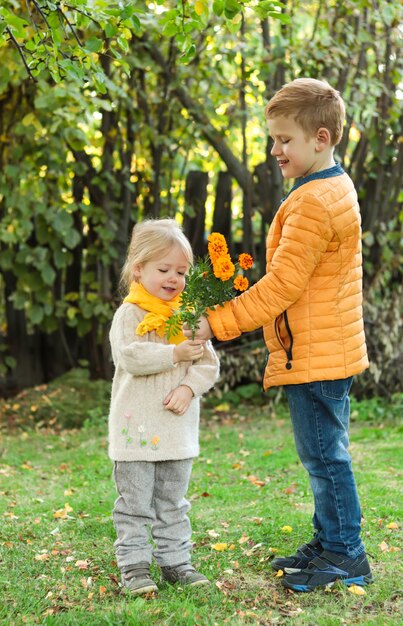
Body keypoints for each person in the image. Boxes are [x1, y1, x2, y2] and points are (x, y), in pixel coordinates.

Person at [185, 78, 372, 592]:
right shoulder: (331, 185)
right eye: (273, 139)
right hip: (325, 345)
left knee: (324, 457)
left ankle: (345, 554)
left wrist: (216, 323)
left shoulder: (314, 200)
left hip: (316, 351)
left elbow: (282, 287)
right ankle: (330, 538)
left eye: (284, 140)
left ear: (322, 138)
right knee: (323, 453)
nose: (275, 150)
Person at [108, 218, 220, 595]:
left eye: (181, 272)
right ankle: (135, 566)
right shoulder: (131, 314)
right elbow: (130, 356)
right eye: (164, 269)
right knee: (135, 502)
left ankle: (176, 562)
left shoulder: (188, 317)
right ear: (138, 269)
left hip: (176, 430)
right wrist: (173, 354)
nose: (174, 278)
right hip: (136, 430)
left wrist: (189, 388)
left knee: (173, 501)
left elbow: (208, 363)